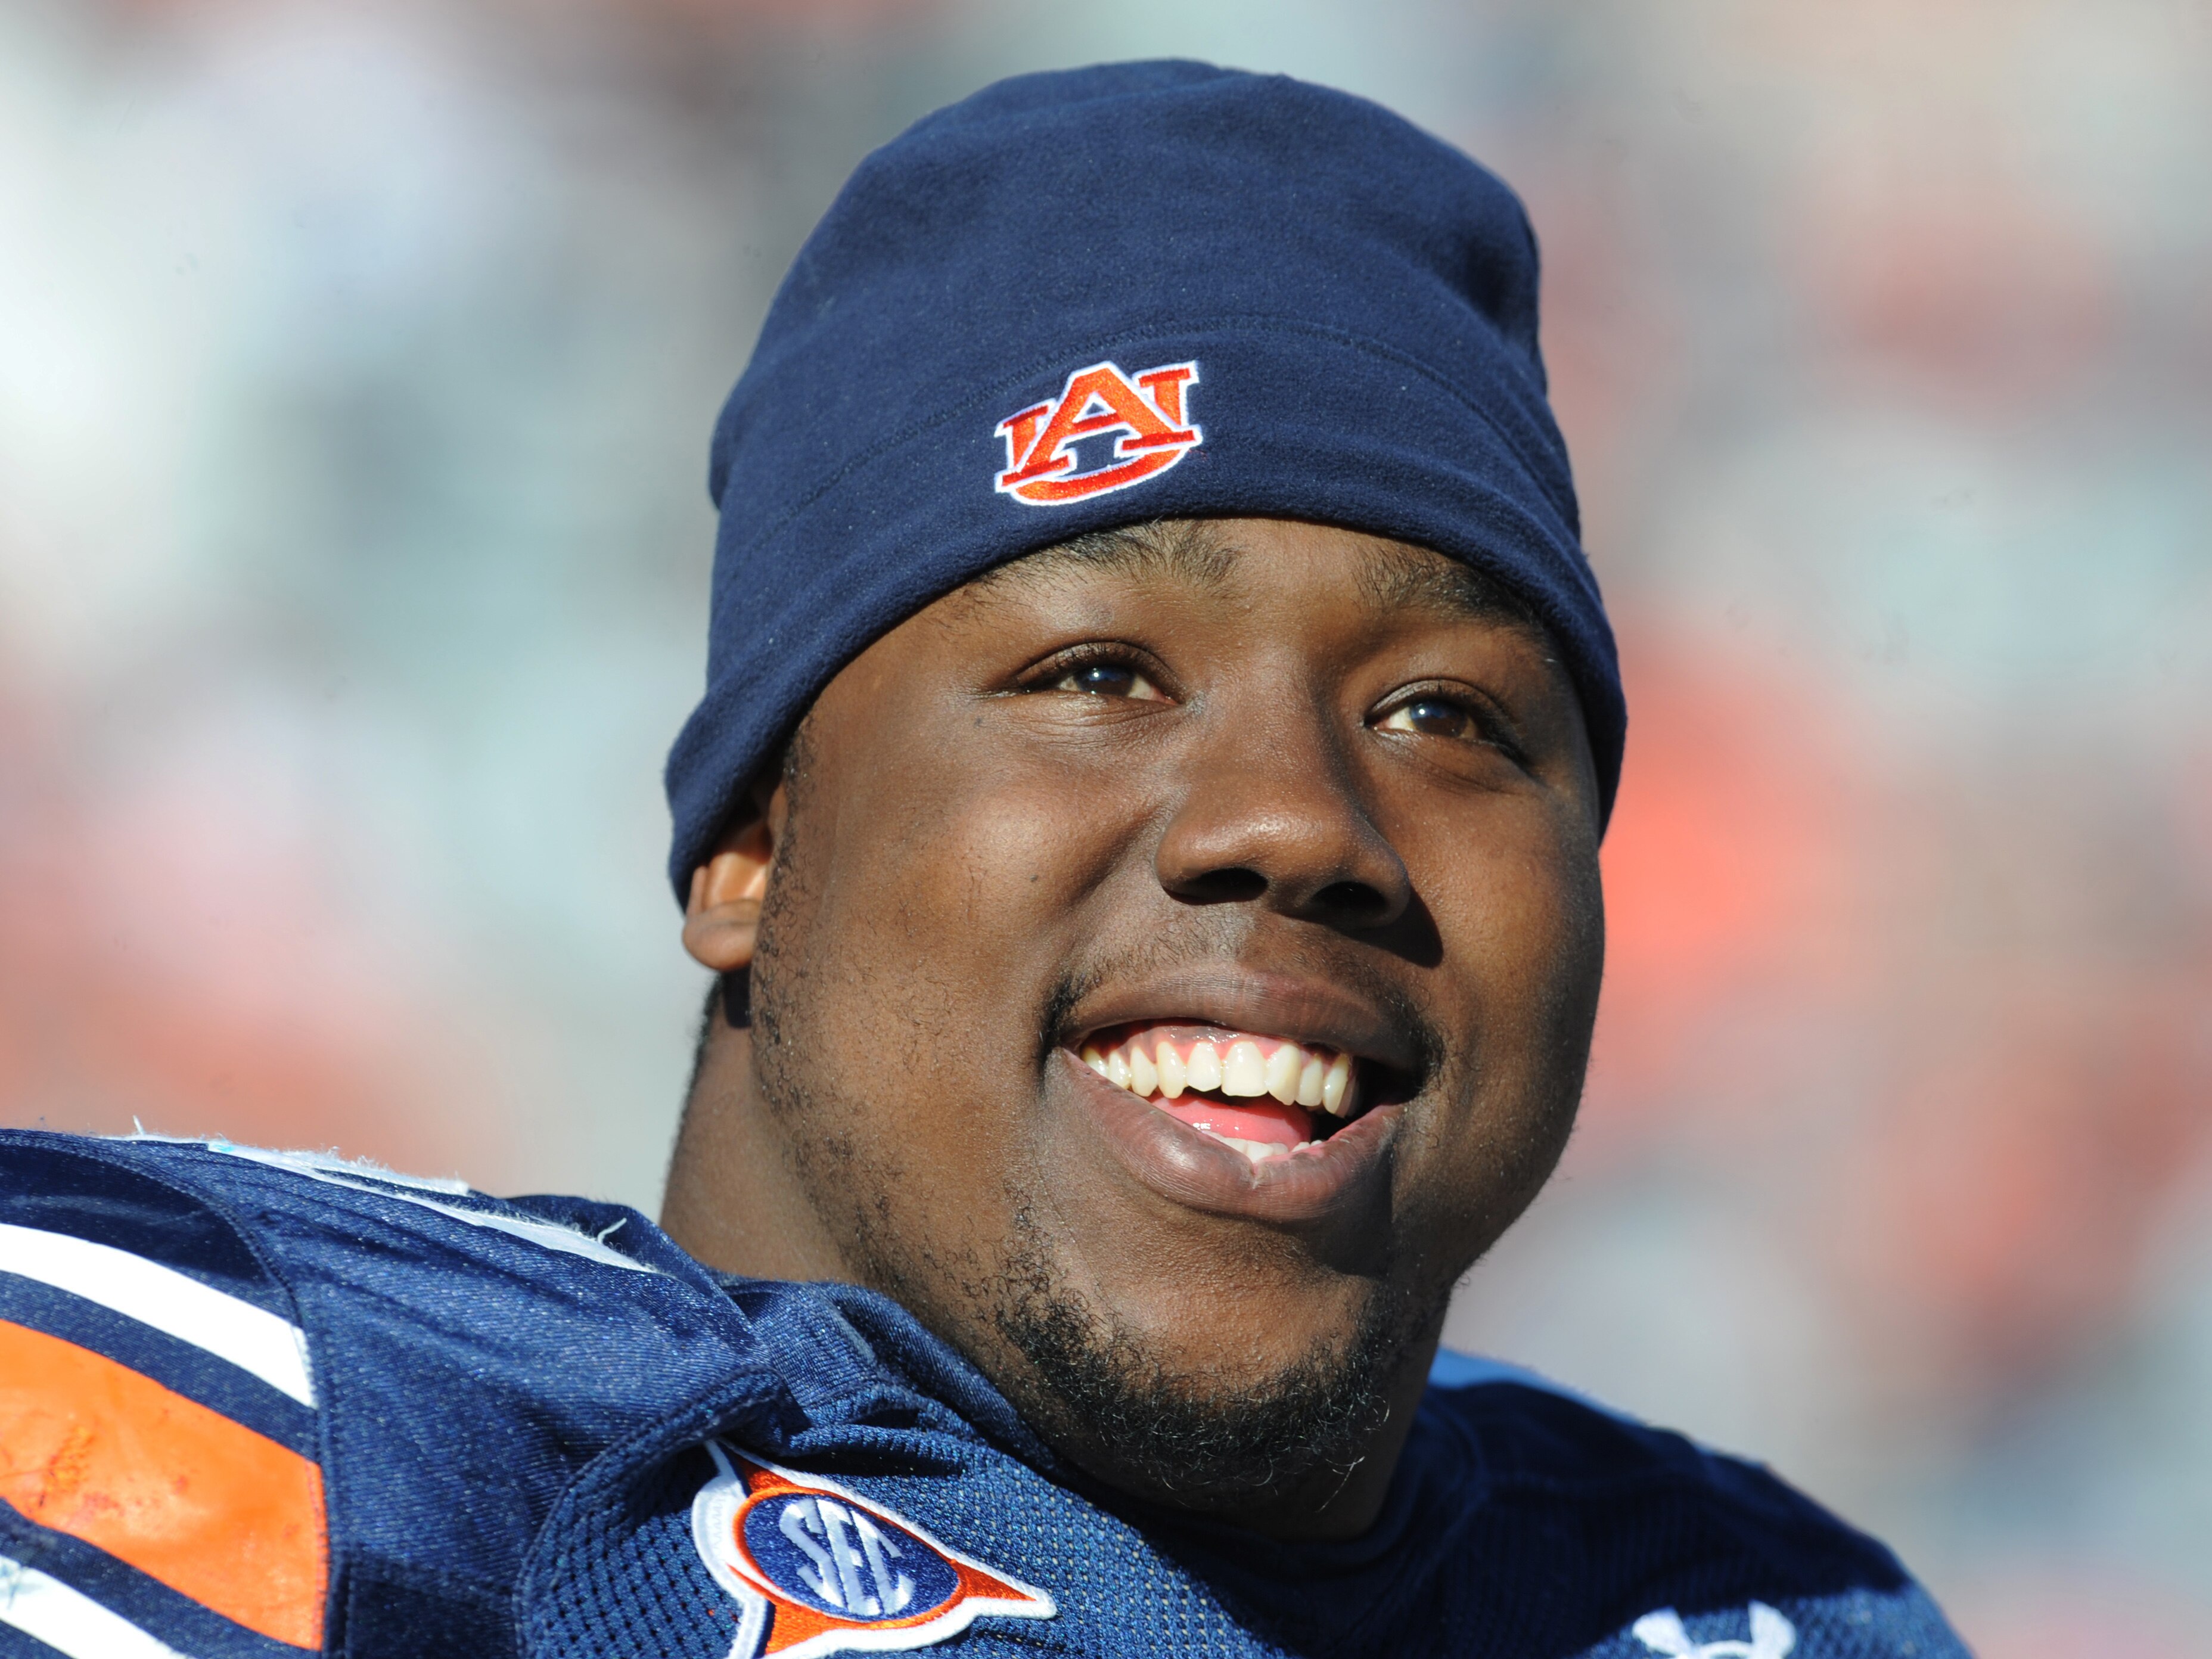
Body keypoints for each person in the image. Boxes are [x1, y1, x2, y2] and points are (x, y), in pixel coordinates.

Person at [0, 61, 1965, 1659]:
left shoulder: (1753, 1613)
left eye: (1450, 716)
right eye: (1102, 673)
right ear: (759, 840)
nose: (1300, 822)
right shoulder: (284, 1421)